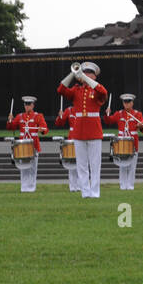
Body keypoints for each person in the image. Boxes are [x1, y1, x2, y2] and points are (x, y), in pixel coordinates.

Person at [56, 63, 108, 198]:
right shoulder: (76, 90)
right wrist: (73, 74)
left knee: (95, 165)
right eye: (84, 72)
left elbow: (103, 92)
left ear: (94, 76)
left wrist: (85, 78)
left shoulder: (96, 90)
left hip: (94, 131)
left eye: (89, 73)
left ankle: (95, 192)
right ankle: (85, 192)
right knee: (81, 165)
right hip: (79, 132)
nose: (85, 75)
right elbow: (61, 89)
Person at [7, 95, 48, 194]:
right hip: (22, 146)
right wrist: (10, 120)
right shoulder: (20, 116)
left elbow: (45, 128)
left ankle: (31, 187)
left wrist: (41, 129)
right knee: (23, 167)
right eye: (25, 104)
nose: (27, 106)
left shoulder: (38, 116)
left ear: (33, 105)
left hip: (34, 145)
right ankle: (24, 187)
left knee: (33, 168)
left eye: (29, 104)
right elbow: (11, 127)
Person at [105, 94, 143, 191]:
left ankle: (130, 186)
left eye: (128, 102)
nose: (126, 104)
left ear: (132, 103)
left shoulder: (137, 114)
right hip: (121, 144)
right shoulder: (119, 114)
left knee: (132, 166)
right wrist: (107, 114)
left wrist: (140, 126)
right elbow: (109, 121)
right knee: (122, 166)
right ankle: (123, 186)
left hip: (133, 143)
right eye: (125, 102)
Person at [55, 103, 80, 192]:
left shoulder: (84, 109)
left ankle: (81, 186)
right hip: (72, 138)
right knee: (71, 163)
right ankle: (73, 187)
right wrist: (60, 116)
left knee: (82, 163)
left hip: (82, 137)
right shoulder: (69, 110)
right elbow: (59, 123)